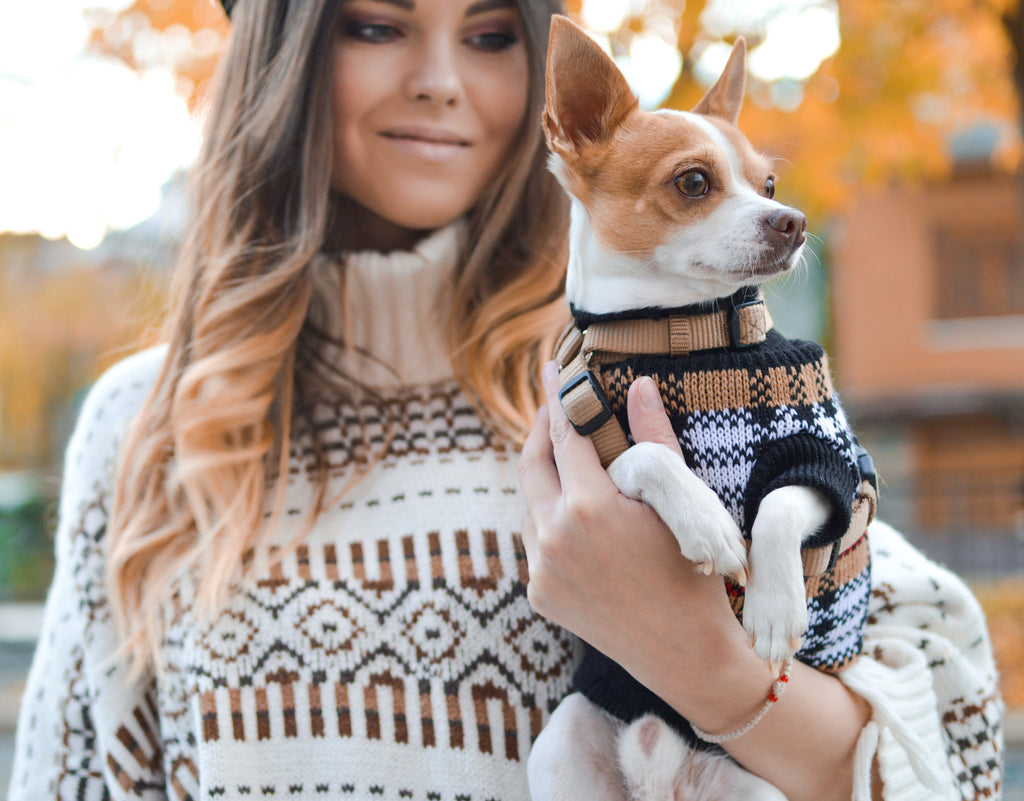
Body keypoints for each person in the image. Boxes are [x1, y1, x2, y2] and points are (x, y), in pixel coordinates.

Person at [7, 0, 1003, 799]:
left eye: (489, 36)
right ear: (284, 55)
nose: (441, 81)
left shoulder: (636, 379)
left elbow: (950, 732)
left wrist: (709, 666)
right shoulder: (142, 422)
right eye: (375, 25)